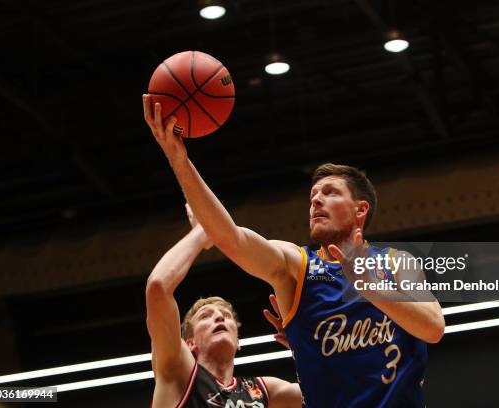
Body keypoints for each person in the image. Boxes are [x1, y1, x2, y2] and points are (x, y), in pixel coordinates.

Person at [143, 95, 445, 407]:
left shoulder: (396, 262)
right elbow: (230, 238)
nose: (316, 201)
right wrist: (179, 160)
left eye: (330, 193)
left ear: (360, 209)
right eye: (313, 195)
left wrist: (371, 288)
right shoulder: (297, 266)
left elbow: (433, 328)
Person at [146, 204, 301, 408]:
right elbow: (158, 287)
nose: (219, 318)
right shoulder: (178, 373)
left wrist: (303, 345)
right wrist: (204, 229)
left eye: (226, 316)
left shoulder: (263, 390)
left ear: (238, 341)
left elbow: (330, 391)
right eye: (205, 316)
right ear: (190, 342)